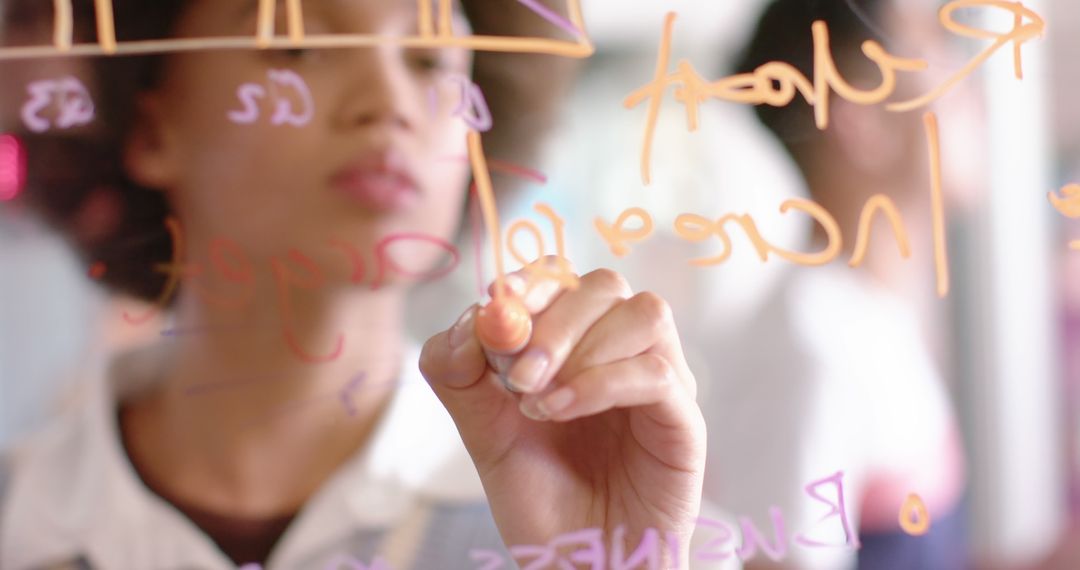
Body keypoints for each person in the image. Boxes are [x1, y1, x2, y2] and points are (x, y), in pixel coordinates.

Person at [0, 1, 706, 568]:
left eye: (429, 58)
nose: (389, 100)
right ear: (151, 129)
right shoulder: (20, 521)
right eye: (300, 43)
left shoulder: (606, 512)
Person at [698, 0, 970, 568]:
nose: (967, 81)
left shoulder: (869, 317)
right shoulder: (809, 348)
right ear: (860, 119)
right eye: (933, 52)